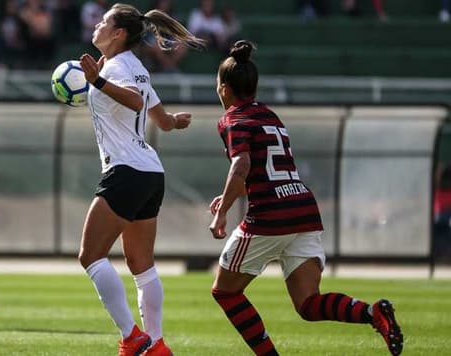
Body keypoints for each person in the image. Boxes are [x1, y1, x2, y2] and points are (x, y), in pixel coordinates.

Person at [208, 40, 403, 356]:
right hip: (303, 210)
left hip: (270, 216)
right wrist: (229, 194)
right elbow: (263, 171)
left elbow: (241, 164)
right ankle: (373, 313)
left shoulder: (232, 118)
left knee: (225, 292)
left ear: (226, 88)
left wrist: (221, 214)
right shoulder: (270, 116)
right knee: (308, 304)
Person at [78, 3, 204, 356]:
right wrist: (176, 121)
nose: (97, 25)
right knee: (141, 265)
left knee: (90, 255)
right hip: (149, 172)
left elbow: (134, 102)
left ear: (118, 33)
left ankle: (132, 337)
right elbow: (161, 120)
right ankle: (157, 343)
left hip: (127, 171)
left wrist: (97, 82)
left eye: (104, 22)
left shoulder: (116, 67)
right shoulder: (135, 67)